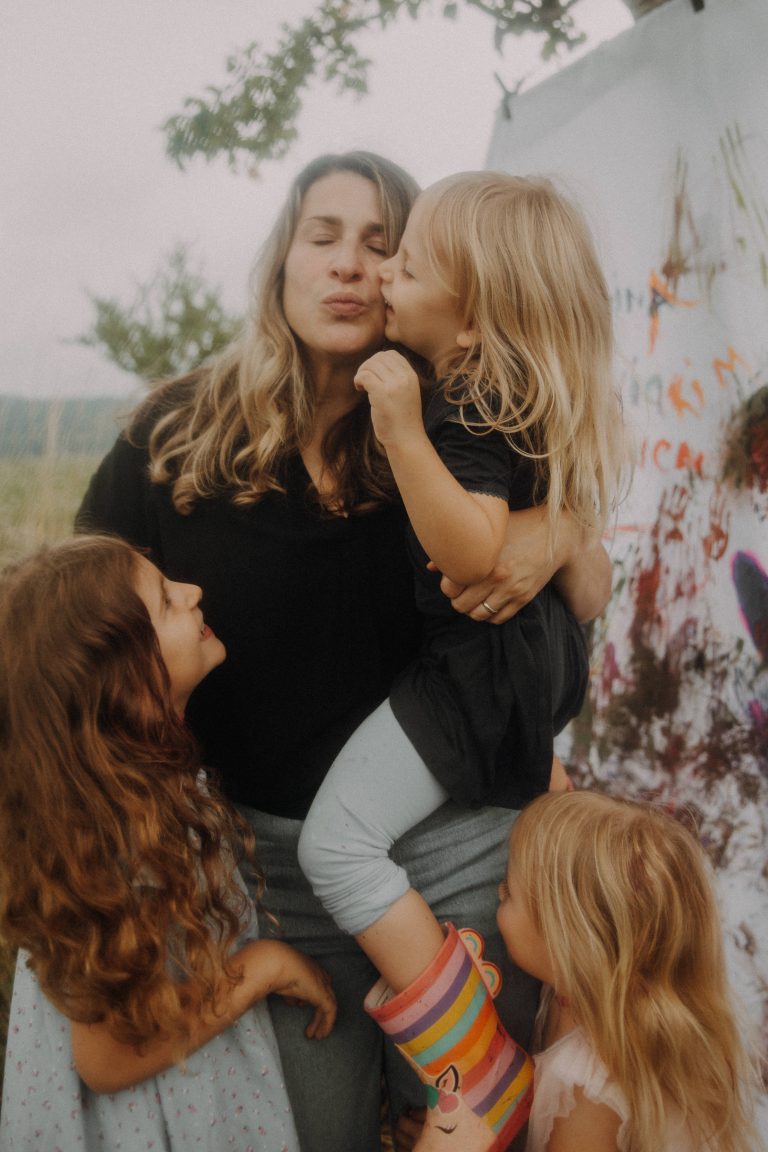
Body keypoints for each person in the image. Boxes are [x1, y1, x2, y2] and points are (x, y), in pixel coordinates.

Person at [75, 151, 613, 1152]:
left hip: (462, 864)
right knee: (317, 1134)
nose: (351, 265)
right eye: (322, 236)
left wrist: (559, 531)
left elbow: (573, 591)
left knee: (463, 1127)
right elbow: (77, 638)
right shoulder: (174, 434)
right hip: (273, 877)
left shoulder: (454, 419)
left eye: (382, 244)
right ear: (281, 260)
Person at [296, 172, 625, 1149]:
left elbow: (474, 553)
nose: (381, 275)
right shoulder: (525, 394)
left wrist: (402, 430)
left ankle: (476, 1064)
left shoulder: (464, 402)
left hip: (472, 682)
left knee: (335, 846)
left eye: (404, 262)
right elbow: (583, 590)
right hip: (528, 680)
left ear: (473, 318)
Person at [0, 534, 336, 1151]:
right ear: (124, 683)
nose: (193, 591)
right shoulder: (114, 840)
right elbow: (106, 1060)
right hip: (153, 1120)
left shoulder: (143, 792)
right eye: (164, 601)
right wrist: (262, 968)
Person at [496, 790, 759, 1152]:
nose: (498, 893)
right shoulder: (570, 991)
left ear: (567, 940)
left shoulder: (587, 1089)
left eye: (509, 892)